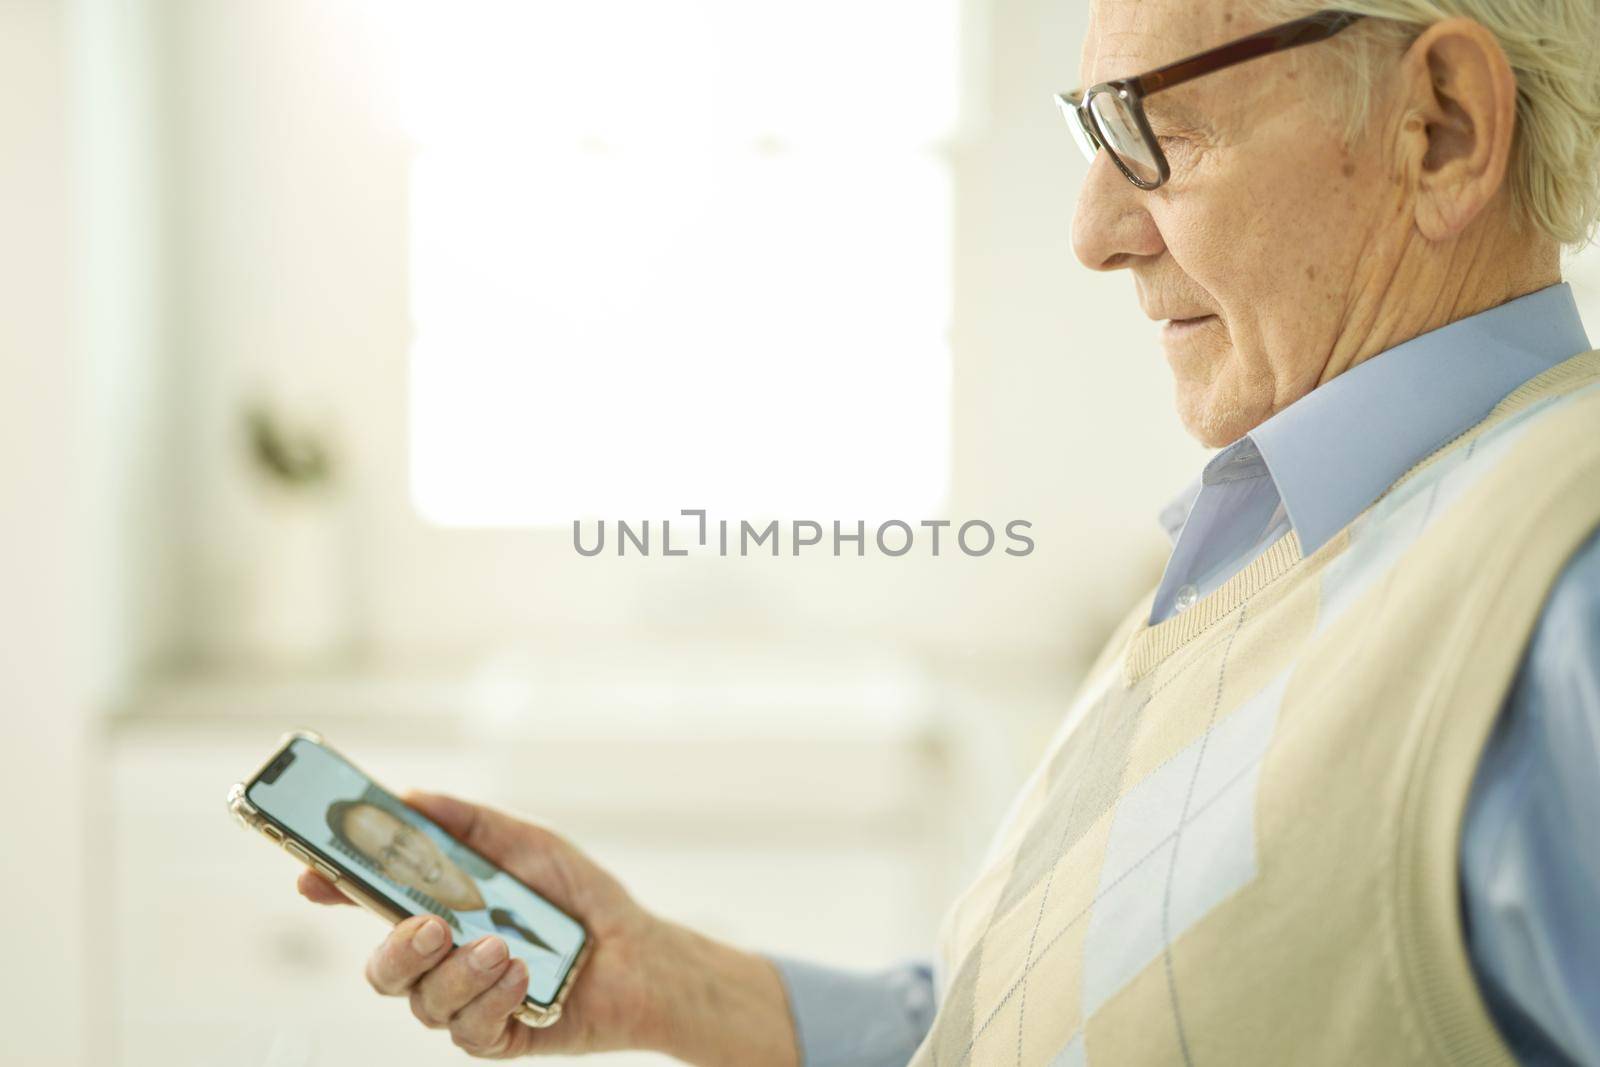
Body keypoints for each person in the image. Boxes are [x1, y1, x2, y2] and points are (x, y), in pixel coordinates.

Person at [296, 1, 1600, 1063]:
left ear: (1442, 130)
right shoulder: (1280, 531)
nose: (1093, 232)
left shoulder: (1569, 589)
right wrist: (663, 979)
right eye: (1091, 130)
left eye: (1154, 128)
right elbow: (1037, 1022)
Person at [325, 799, 558, 955]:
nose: (412, 859)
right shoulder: (468, 954)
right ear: (388, 875)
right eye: (389, 855)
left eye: (402, 838)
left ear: (420, 832)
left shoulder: (526, 879)